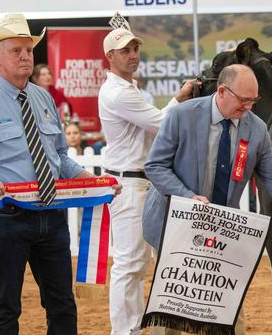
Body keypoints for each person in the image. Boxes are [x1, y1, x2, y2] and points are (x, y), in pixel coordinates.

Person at [142, 64, 272, 335]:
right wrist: (187, 198)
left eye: (253, 101)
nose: (249, 107)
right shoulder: (181, 115)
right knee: (171, 315)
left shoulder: (256, 129)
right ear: (222, 91)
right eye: (243, 100)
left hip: (221, 230)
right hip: (173, 224)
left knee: (225, 310)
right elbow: (156, 167)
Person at [0, 13, 120, 334]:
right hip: (6, 218)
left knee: (62, 304)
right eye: (17, 50)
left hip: (52, 216)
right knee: (5, 307)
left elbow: (58, 156)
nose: (26, 56)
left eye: (29, 50)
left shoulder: (43, 97)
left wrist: (94, 181)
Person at [98, 27, 196, 335]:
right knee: (129, 264)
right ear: (109, 56)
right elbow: (162, 123)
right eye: (125, 50)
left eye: (135, 49)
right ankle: (125, 331)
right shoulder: (119, 92)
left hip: (136, 182)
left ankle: (131, 328)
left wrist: (177, 100)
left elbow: (154, 124)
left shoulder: (127, 88)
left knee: (134, 264)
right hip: (128, 184)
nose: (133, 55)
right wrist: (181, 101)